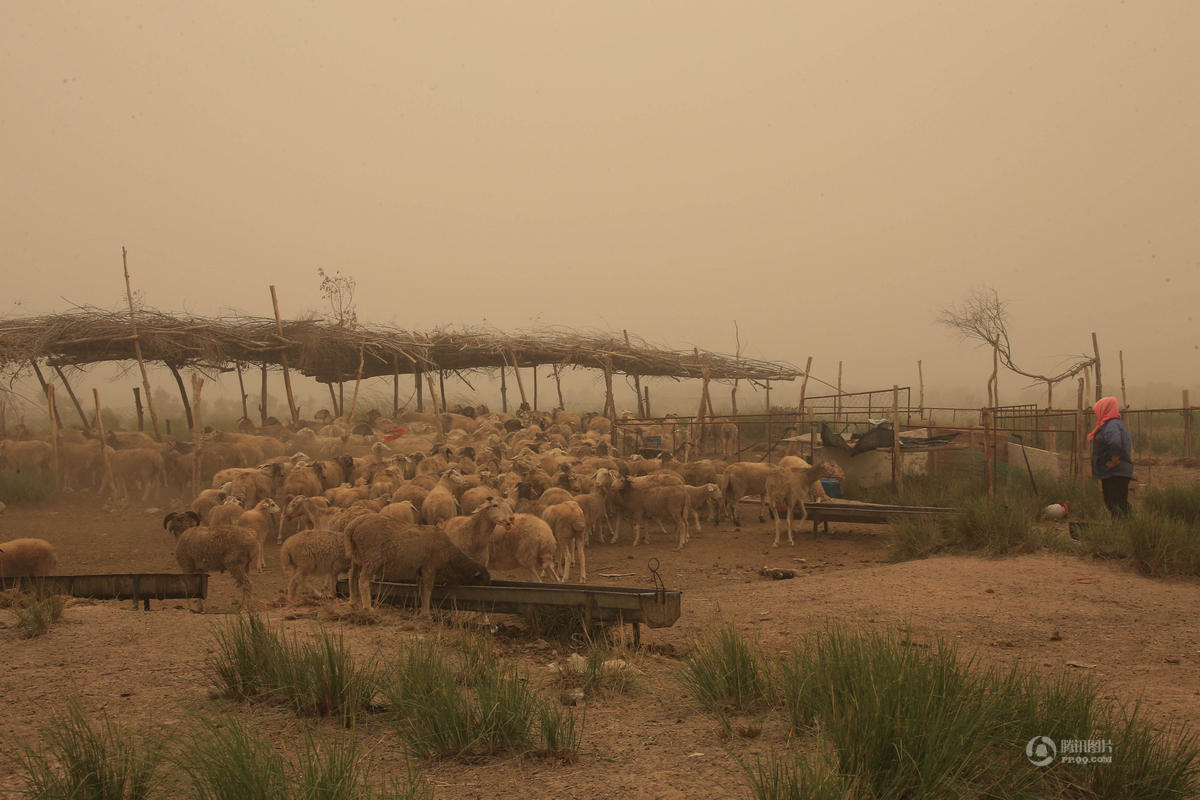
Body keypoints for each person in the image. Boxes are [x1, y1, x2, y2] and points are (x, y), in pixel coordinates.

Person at [1088, 396, 1133, 516]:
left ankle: (1123, 528)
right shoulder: (1115, 424)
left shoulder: (1111, 425)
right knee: (1119, 503)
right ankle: (1125, 527)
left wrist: (1114, 461)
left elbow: (1115, 443)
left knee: (1114, 503)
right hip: (1117, 471)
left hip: (1114, 472)